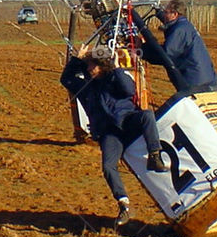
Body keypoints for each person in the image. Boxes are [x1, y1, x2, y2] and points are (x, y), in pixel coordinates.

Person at [61, 47, 169, 226]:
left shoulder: (115, 79)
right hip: (108, 133)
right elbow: (65, 79)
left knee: (147, 115)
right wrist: (77, 59)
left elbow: (129, 90)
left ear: (103, 66)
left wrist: (118, 68)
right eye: (87, 66)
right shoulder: (85, 87)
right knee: (108, 167)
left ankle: (155, 156)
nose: (89, 69)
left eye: (92, 66)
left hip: (127, 121)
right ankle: (124, 205)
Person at [137, 0, 217, 89]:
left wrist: (141, 51)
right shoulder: (184, 25)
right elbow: (170, 25)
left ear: (175, 14)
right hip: (206, 77)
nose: (164, 15)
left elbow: (165, 55)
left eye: (166, 12)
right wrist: (158, 13)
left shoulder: (179, 30)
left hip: (194, 80)